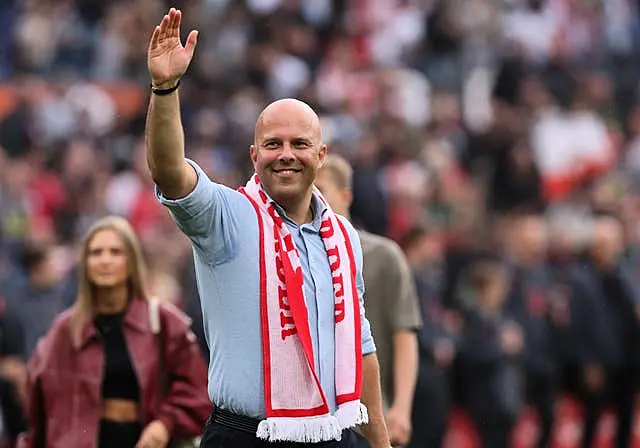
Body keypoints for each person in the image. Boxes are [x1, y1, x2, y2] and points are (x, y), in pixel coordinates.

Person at [146, 8, 389, 448]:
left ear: (321, 154)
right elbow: (168, 171)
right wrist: (166, 89)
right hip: (246, 435)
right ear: (254, 155)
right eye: (273, 144)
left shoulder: (344, 237)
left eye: (300, 144)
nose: (286, 154)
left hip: (333, 431)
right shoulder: (227, 217)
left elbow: (362, 349)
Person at [17, 216, 212, 448]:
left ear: (132, 261)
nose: (105, 260)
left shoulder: (163, 322)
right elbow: (39, 407)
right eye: (96, 253)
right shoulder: (66, 329)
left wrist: (165, 423)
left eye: (115, 252)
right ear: (85, 263)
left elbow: (197, 393)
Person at [315, 155, 422, 447]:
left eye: (321, 189)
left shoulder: (383, 256)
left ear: (346, 196)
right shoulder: (289, 254)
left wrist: (401, 407)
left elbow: (405, 333)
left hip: (374, 416)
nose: (313, 199)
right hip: (314, 420)